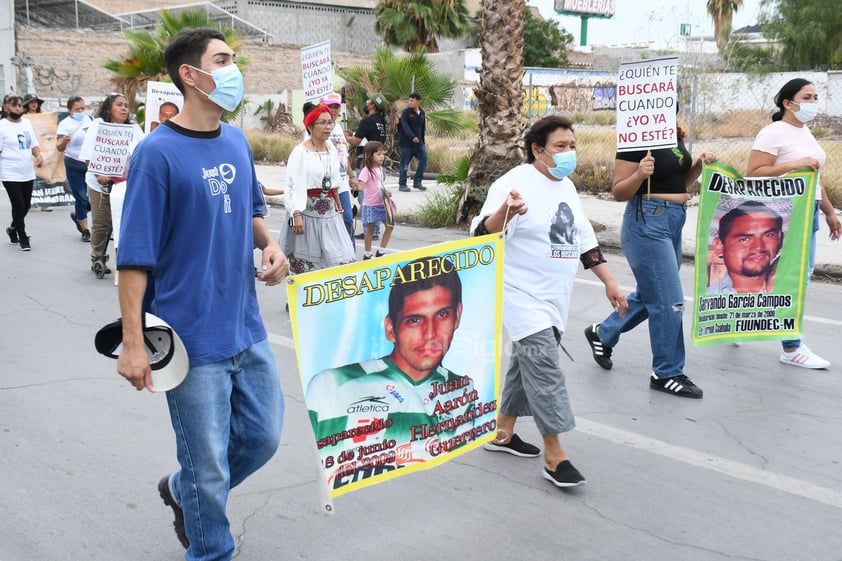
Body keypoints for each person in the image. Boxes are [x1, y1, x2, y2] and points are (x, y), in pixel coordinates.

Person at [115, 28, 289, 559]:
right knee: (207, 463)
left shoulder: (236, 139)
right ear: (190, 75)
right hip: (190, 342)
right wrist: (133, 342)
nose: (235, 69)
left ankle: (183, 490)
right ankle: (210, 547)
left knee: (262, 437)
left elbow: (251, 207)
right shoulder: (156, 154)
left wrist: (271, 244)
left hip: (245, 325)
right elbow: (134, 257)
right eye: (223, 60)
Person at [470, 115, 628, 488]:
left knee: (524, 364)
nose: (568, 153)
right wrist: (506, 212)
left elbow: (584, 240)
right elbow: (480, 234)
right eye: (560, 147)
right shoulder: (513, 183)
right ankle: (555, 455)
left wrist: (610, 282)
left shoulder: (567, 187)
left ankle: (502, 432)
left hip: (555, 296)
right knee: (544, 367)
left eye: (572, 146)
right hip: (519, 294)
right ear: (537, 150)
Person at [306, 256, 473, 487]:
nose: (430, 333)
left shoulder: (462, 392)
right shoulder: (332, 384)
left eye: (442, 315)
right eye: (415, 320)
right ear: (390, 329)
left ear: (458, 315)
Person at [583, 114, 716, 399]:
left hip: (674, 221)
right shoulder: (636, 139)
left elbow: (679, 181)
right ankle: (666, 372)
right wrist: (640, 174)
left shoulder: (673, 135)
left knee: (652, 294)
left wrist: (698, 166)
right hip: (647, 222)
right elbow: (619, 191)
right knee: (669, 301)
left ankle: (603, 333)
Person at [746, 78, 841, 369]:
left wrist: (828, 212)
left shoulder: (806, 133)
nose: (813, 102)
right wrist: (792, 166)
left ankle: (742, 324)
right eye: (807, 97)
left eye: (815, 97)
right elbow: (754, 172)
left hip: (808, 210)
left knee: (791, 277)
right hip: (783, 212)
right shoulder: (773, 132)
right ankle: (791, 347)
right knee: (793, 278)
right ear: (788, 103)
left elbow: (815, 178)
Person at [281, 104, 355, 273]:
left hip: (330, 213)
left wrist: (339, 206)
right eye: (322, 123)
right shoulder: (300, 152)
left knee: (344, 259)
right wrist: (296, 216)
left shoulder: (332, 149)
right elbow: (291, 186)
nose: (328, 126)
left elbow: (334, 181)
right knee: (306, 266)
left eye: (330, 122)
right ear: (310, 126)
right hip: (305, 215)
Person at [78, 93, 143, 275]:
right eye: (119, 105)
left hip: (126, 185)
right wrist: (99, 174)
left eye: (126, 105)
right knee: (102, 223)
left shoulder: (134, 129)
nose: (124, 109)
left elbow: (144, 151)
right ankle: (97, 257)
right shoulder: (97, 126)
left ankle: (126, 258)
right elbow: (88, 154)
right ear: (109, 108)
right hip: (100, 184)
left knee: (124, 222)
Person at [708, 201, 784, 294]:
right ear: (719, 246)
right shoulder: (712, 298)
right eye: (744, 239)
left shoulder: (790, 292)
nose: (758, 247)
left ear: (780, 239)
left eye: (768, 235)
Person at [1, 94, 44, 251]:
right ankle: (22, 236)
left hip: (26, 170)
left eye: (19, 105)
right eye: (14, 105)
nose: (18, 108)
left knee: (25, 205)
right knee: (18, 204)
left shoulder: (26, 123)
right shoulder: (2, 126)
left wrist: (38, 156)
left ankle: (13, 228)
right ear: (6, 108)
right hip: (9, 172)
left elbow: (32, 142)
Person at [346, 94, 388, 241]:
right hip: (378, 166)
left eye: (369, 100)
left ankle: (369, 231)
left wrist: (347, 138)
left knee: (365, 200)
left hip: (365, 164)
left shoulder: (367, 121)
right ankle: (375, 231)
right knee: (375, 199)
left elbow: (357, 141)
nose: (366, 101)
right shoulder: (381, 122)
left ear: (372, 105)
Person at [56, 96, 93, 242]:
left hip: (90, 164)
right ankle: (85, 230)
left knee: (92, 199)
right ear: (69, 110)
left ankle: (79, 214)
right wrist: (64, 142)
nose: (81, 111)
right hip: (74, 164)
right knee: (81, 198)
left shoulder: (89, 119)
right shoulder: (65, 124)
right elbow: (59, 147)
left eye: (83, 108)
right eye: (77, 109)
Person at [321, 92, 356, 244]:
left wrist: (352, 176)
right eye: (330, 106)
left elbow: (343, 155)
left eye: (336, 107)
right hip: (326, 183)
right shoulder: (316, 128)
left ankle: (350, 257)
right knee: (326, 222)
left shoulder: (338, 129)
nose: (334, 110)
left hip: (341, 183)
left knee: (348, 218)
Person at [357, 141, 394, 260]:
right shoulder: (366, 171)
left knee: (390, 225)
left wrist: (386, 192)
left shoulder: (380, 169)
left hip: (382, 203)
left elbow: (379, 185)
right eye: (378, 154)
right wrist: (356, 186)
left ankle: (381, 251)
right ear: (370, 155)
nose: (382, 156)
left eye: (383, 154)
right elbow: (361, 186)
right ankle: (367, 254)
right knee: (370, 229)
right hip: (370, 204)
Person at [397, 92, 427, 192]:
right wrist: (412, 136)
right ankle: (402, 184)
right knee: (404, 163)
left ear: (418, 101)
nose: (410, 102)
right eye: (409, 100)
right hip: (407, 143)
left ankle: (417, 182)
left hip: (419, 144)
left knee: (424, 160)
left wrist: (422, 140)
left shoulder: (422, 112)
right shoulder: (406, 113)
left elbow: (423, 128)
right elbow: (405, 126)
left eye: (412, 100)